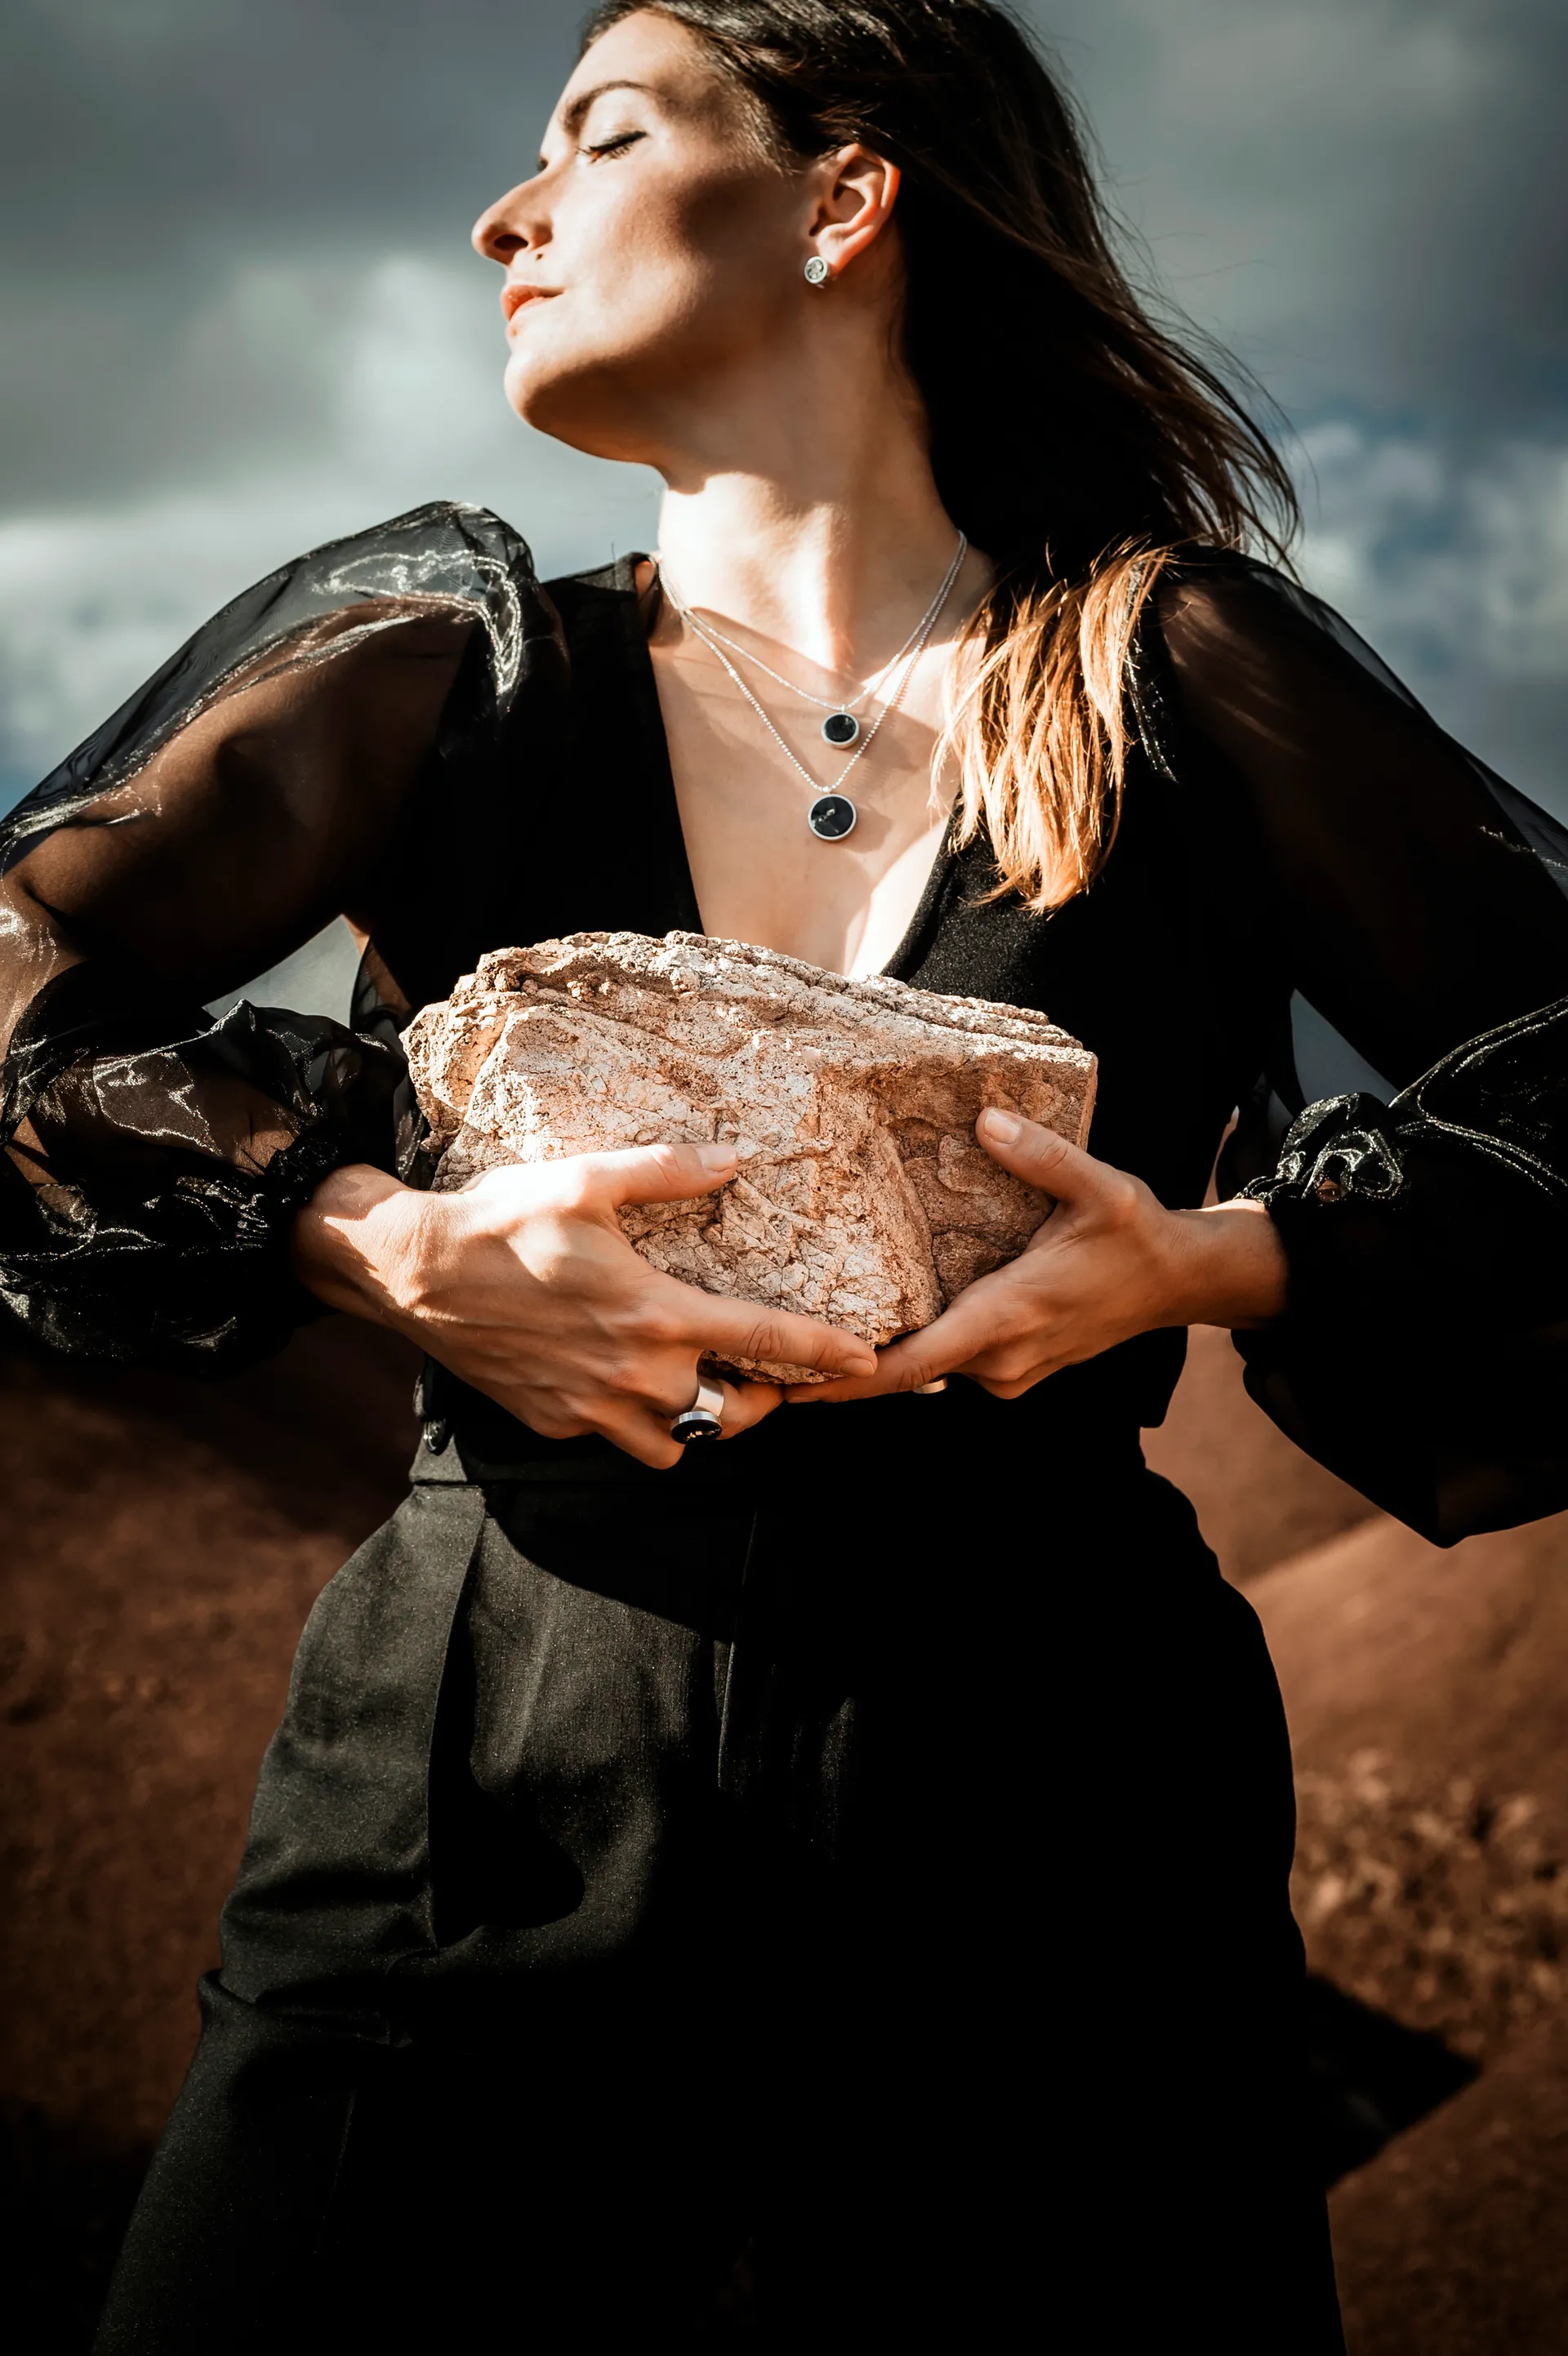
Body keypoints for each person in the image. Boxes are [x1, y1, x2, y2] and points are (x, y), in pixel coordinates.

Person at [2, 2, 1566, 2346]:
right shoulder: (456, 667)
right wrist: (383, 1240)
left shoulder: (1175, 672)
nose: (499, 210)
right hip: (481, 1780)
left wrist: (1214, 1262)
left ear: (845, 201)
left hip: (1061, 1828)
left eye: (601, 134)